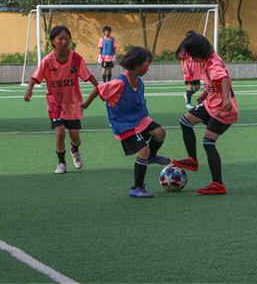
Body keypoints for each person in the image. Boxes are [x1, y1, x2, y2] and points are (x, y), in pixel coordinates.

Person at [80, 46, 170, 198]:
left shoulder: (140, 83)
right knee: (144, 150)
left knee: (160, 133)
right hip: (124, 124)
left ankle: (151, 156)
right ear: (136, 65)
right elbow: (99, 89)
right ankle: (137, 187)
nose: (148, 68)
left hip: (139, 120)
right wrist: (86, 104)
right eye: (146, 65)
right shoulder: (119, 83)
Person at [24, 25, 99, 174]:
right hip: (55, 103)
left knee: (75, 136)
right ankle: (61, 163)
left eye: (67, 39)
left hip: (72, 103)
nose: (64, 42)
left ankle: (75, 150)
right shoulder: (48, 60)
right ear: (52, 41)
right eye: (60, 39)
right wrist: (29, 90)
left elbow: (88, 75)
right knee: (59, 133)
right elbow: (35, 76)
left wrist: (101, 88)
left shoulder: (76, 58)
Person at [171, 34, 238, 194]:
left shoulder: (213, 63)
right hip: (211, 104)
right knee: (185, 121)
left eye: (192, 56)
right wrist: (205, 94)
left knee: (208, 142)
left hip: (223, 110)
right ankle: (192, 160)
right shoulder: (208, 58)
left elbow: (224, 79)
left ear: (199, 52)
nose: (192, 59)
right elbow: (213, 81)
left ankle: (218, 184)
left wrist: (226, 99)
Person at [180, 30, 202, 108]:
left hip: (196, 69)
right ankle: (188, 103)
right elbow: (182, 58)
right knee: (190, 85)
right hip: (189, 69)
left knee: (197, 87)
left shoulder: (197, 47)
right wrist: (183, 68)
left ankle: (187, 95)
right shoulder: (185, 48)